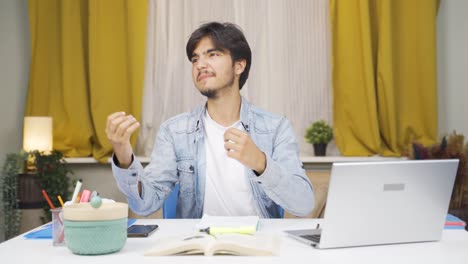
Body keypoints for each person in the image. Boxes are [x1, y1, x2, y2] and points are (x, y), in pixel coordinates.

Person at [106, 22, 314, 218]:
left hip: (258, 248)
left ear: (239, 66)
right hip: (199, 249)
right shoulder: (175, 131)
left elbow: (303, 204)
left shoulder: (275, 128)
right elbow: (144, 205)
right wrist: (124, 156)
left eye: (212, 55)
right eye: (195, 59)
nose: (200, 65)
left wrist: (260, 162)